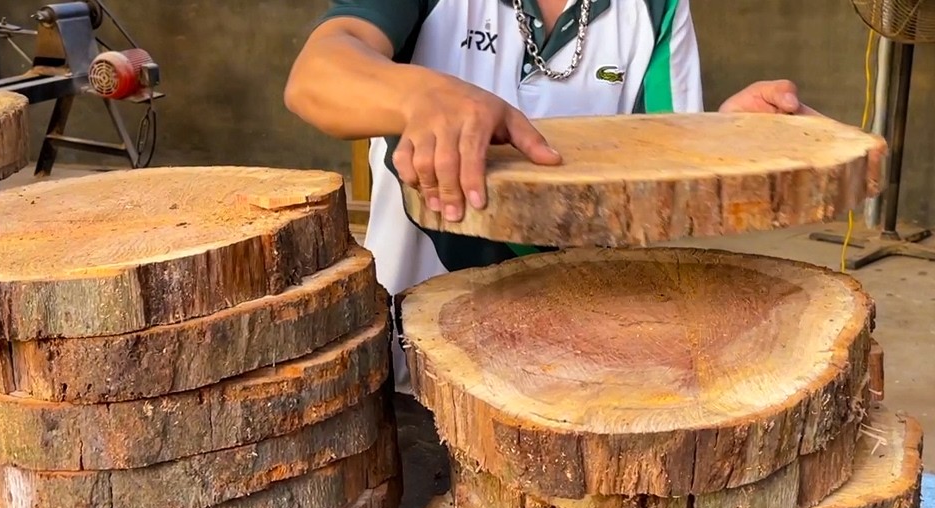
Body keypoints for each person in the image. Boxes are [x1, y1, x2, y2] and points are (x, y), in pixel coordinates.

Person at [284, 0, 822, 392]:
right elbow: (315, 77)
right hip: (416, 356)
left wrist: (729, 143)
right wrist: (422, 94)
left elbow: (665, 175)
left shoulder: (657, 10)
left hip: (581, 364)